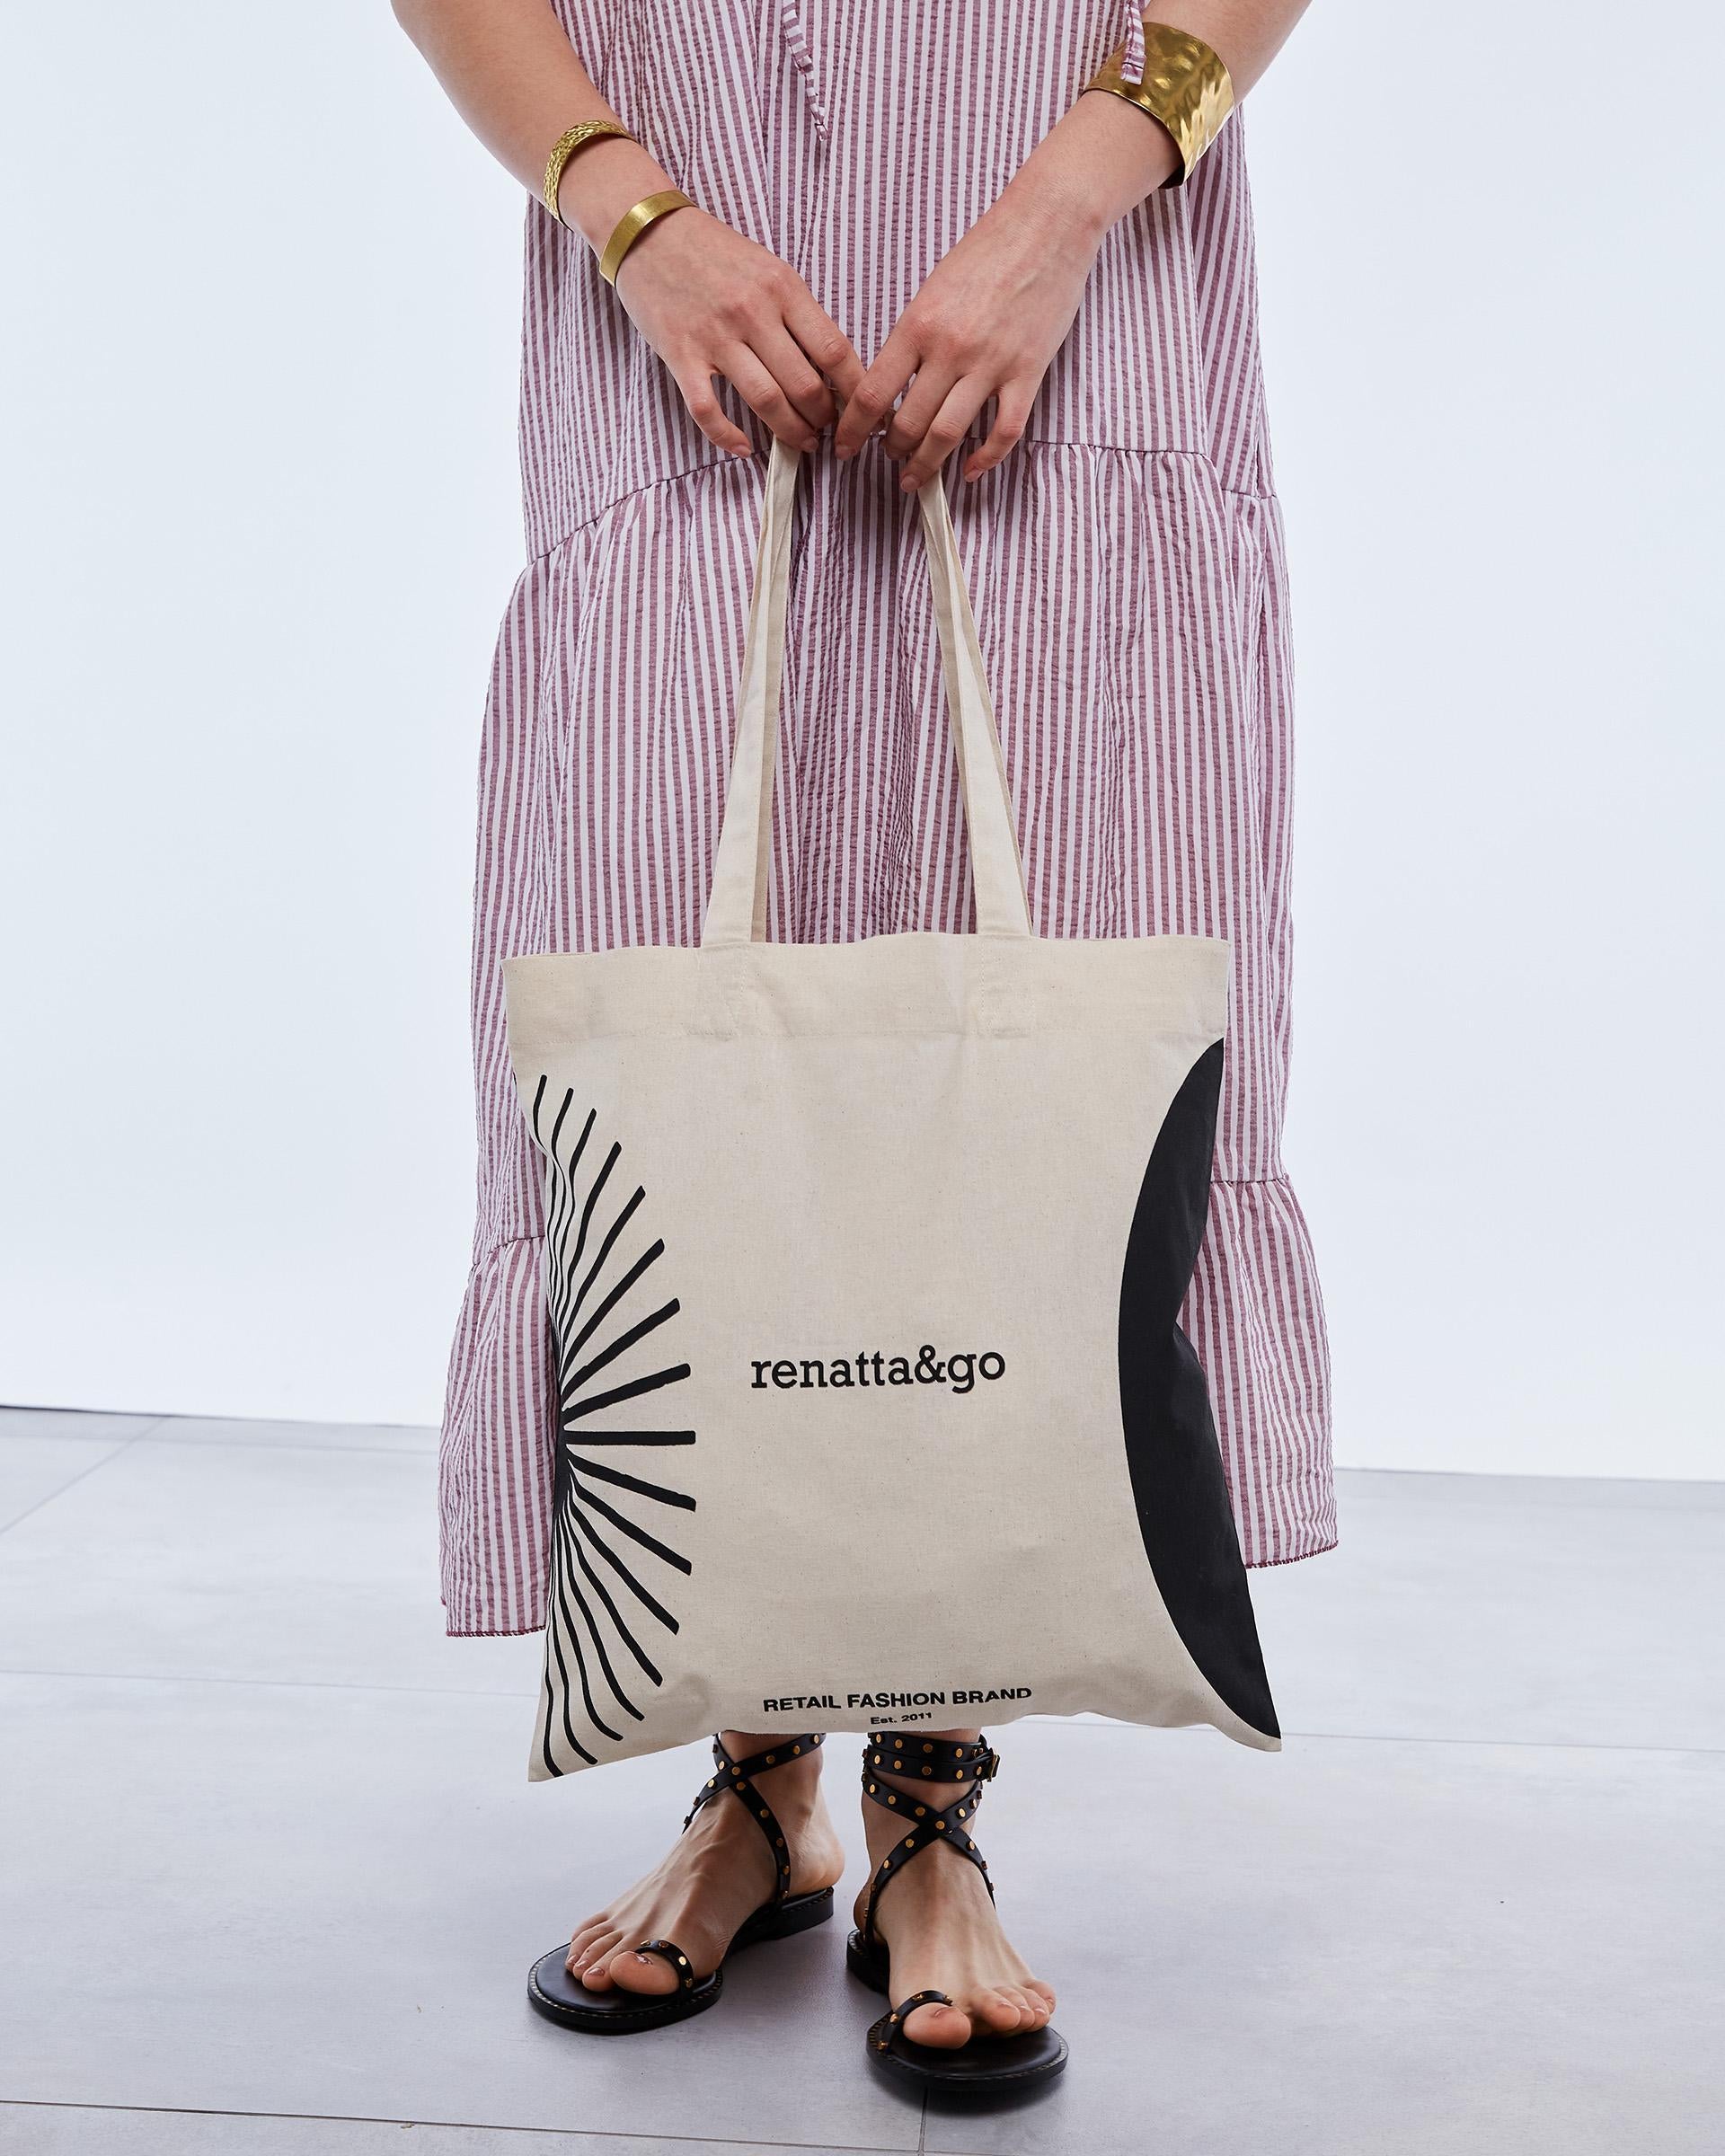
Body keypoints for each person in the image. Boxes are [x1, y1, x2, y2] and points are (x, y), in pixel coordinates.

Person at [394, 0, 1331, 2076]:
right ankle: (760, 1785)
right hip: (678, 326)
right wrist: (636, 221)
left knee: (1016, 1109)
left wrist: (1066, 206)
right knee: (693, 1066)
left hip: (1080, 318)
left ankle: (927, 1808)